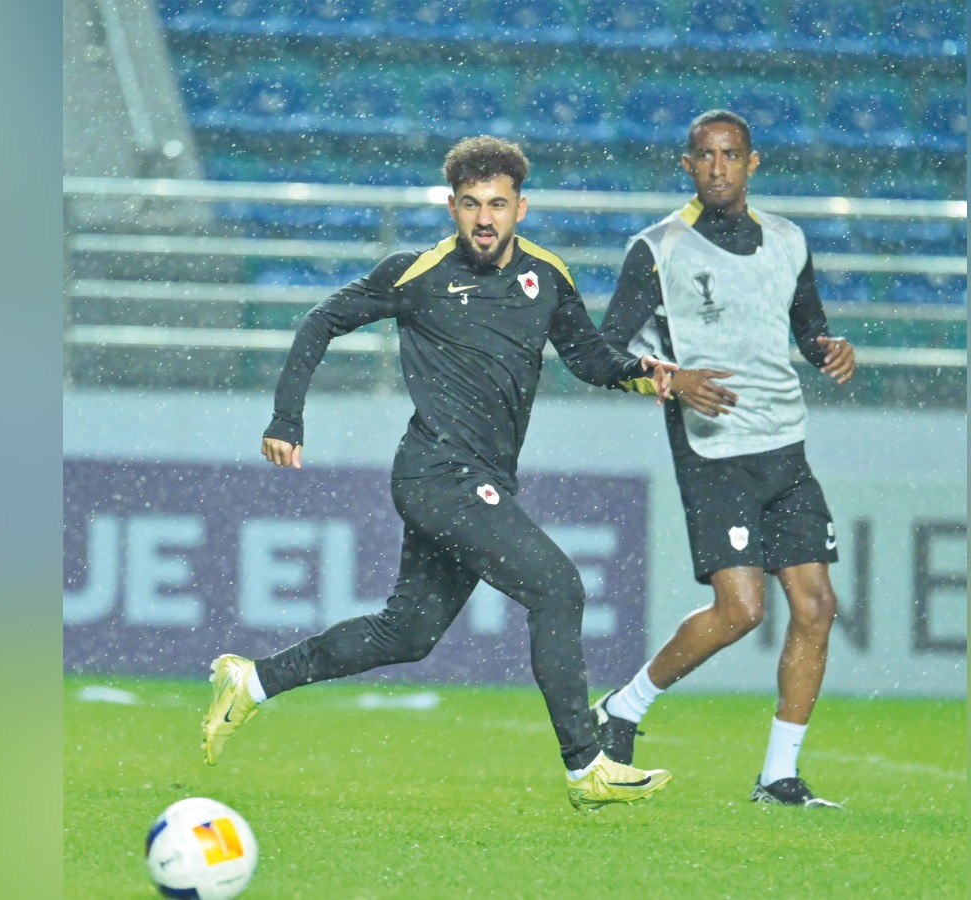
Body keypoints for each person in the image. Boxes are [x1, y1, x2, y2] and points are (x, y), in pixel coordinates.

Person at [201, 136, 676, 812]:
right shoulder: (418, 273)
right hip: (436, 474)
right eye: (472, 205)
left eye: (499, 205)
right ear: (453, 207)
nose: (486, 219)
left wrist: (640, 373)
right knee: (559, 589)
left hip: (478, 480)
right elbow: (320, 321)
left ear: (521, 208)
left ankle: (252, 682)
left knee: (408, 634)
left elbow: (589, 356)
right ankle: (586, 766)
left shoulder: (548, 275)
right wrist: (286, 419)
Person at [595, 110, 857, 808]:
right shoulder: (657, 250)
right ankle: (624, 706)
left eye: (731, 155)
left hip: (786, 447)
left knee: (816, 605)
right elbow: (603, 351)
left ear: (752, 163)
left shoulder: (789, 241)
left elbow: (809, 327)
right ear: (687, 165)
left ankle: (778, 775)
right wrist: (669, 378)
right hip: (715, 453)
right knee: (740, 610)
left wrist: (830, 348)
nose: (718, 167)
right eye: (705, 156)